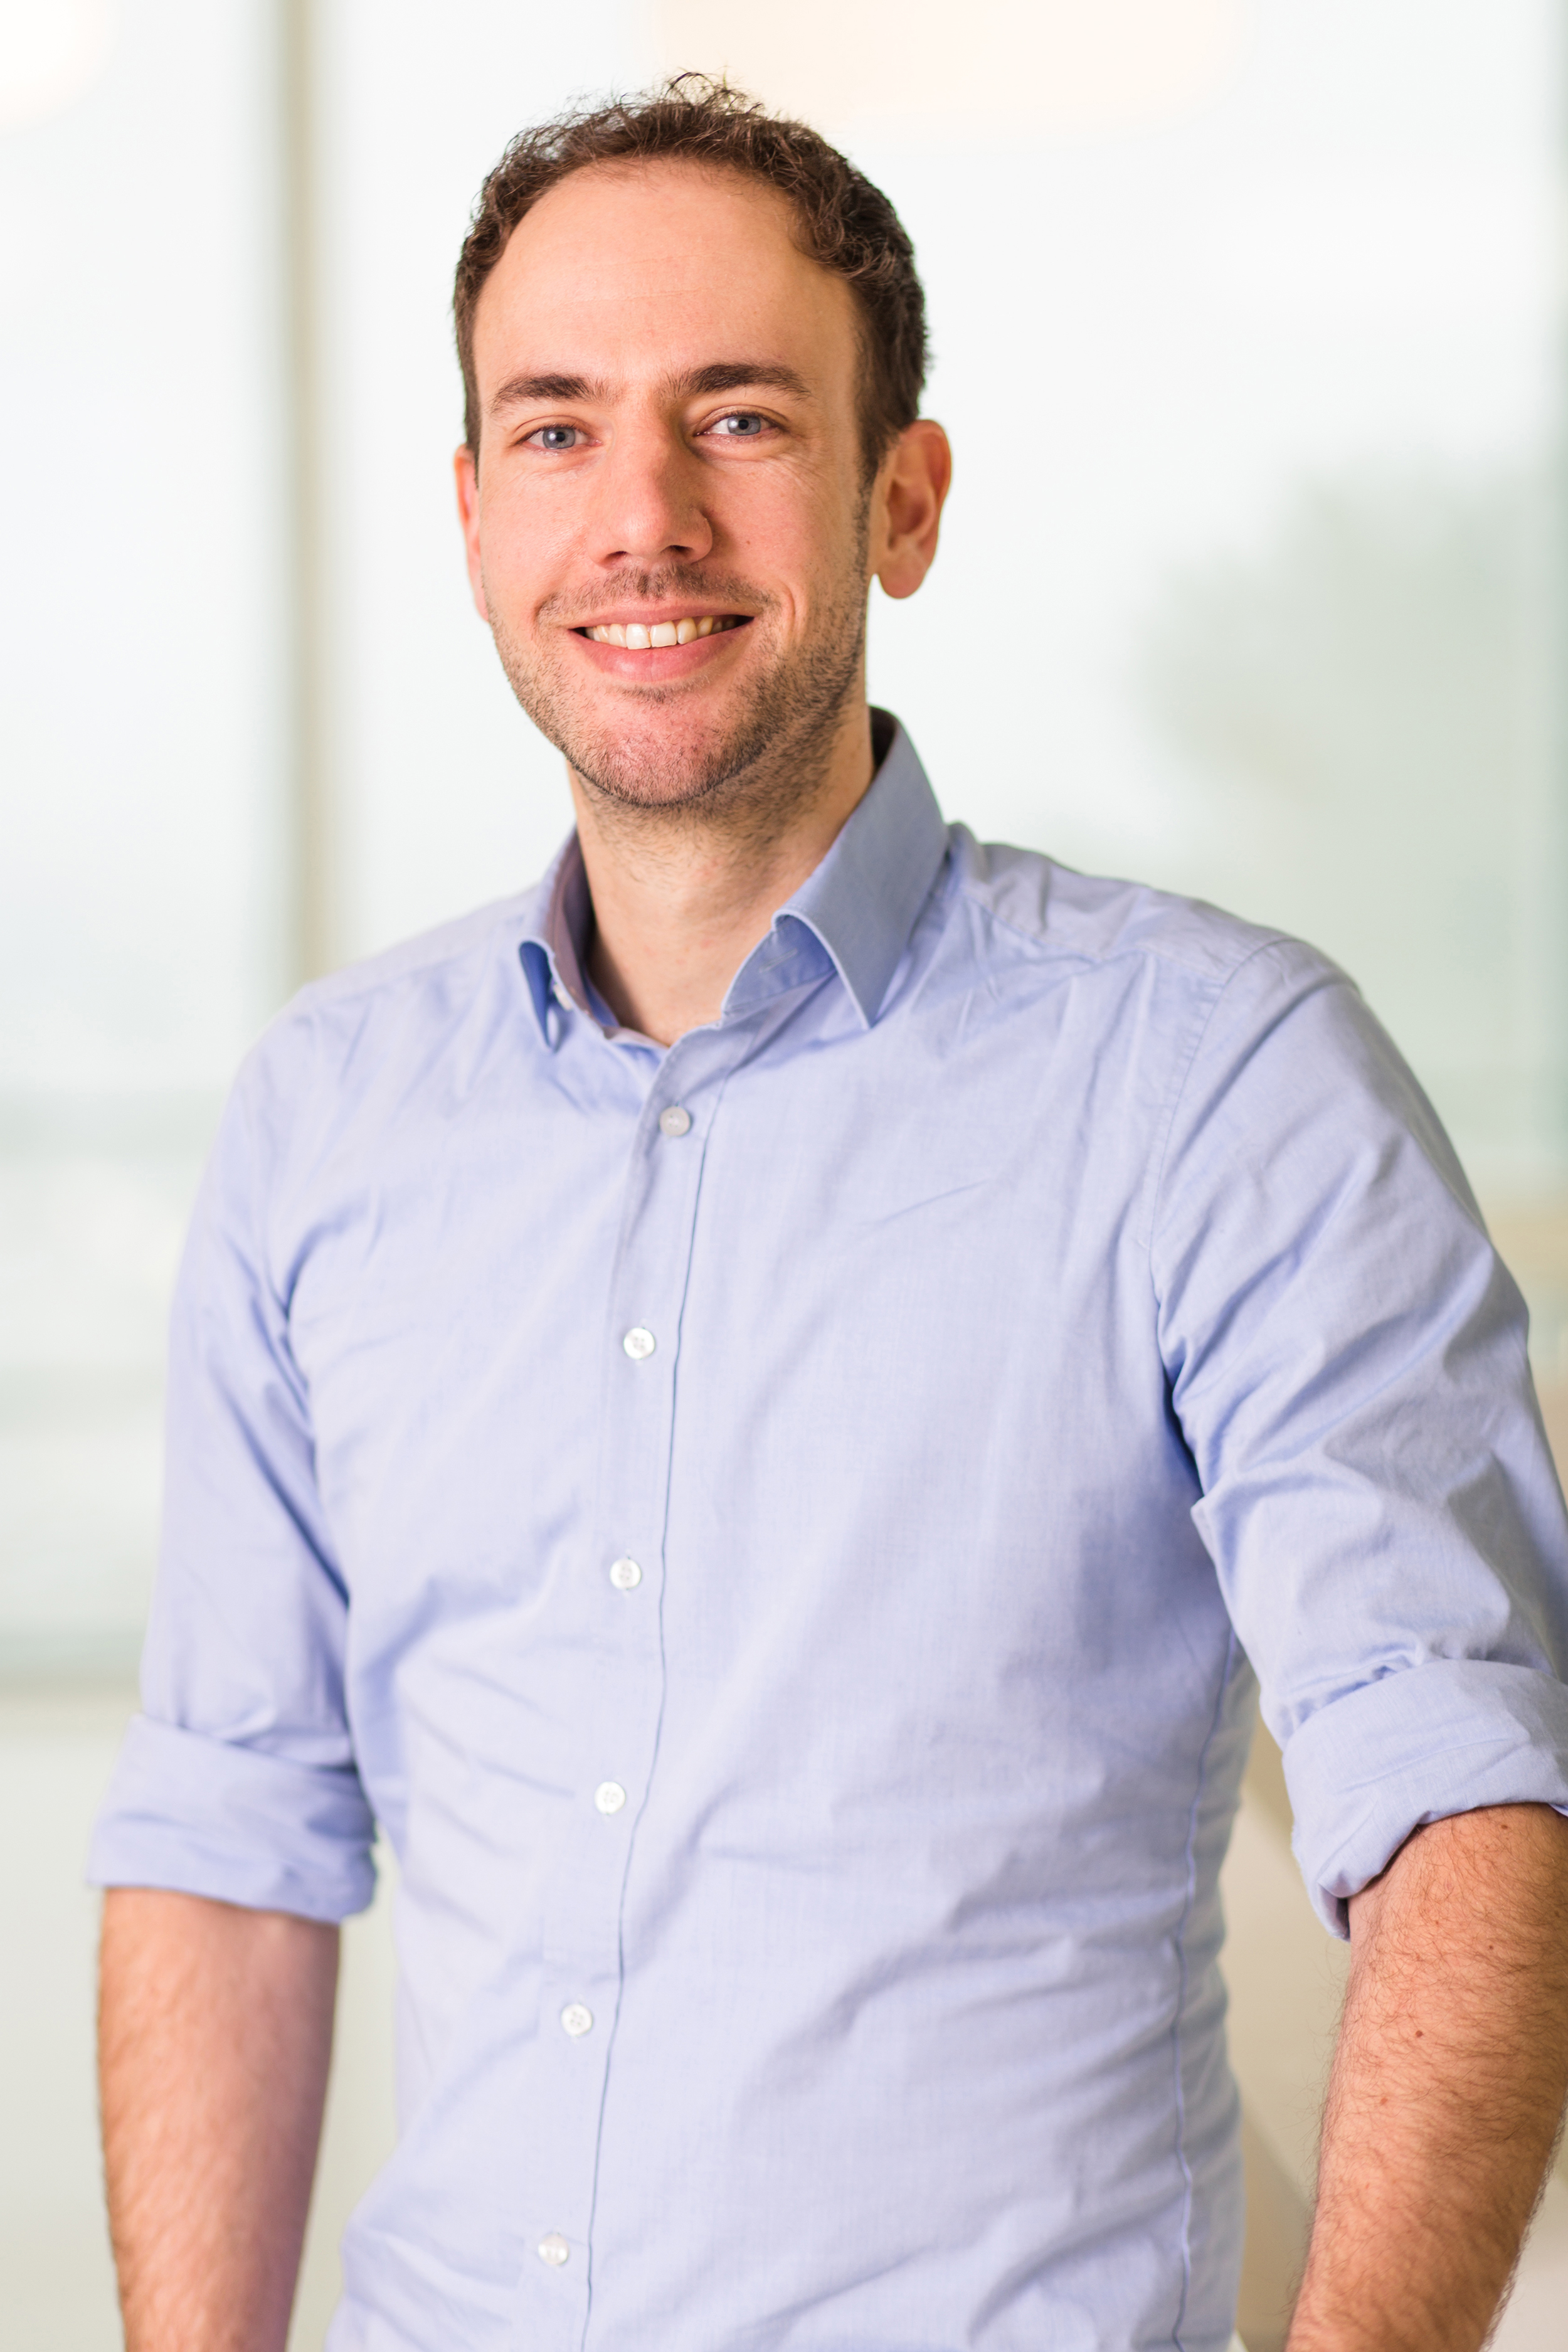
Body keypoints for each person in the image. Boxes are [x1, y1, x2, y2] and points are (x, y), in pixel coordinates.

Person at [92, 80, 1568, 2352]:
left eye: (740, 418)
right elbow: (224, 1843)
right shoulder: (325, 1116)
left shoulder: (1223, 1084)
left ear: (904, 497)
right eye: (559, 430)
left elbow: (1467, 1803)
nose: (644, 518)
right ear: (473, 515)